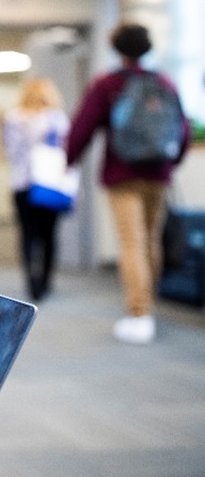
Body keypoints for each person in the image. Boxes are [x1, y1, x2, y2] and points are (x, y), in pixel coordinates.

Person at [66, 23, 191, 344]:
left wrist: (68, 159)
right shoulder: (163, 82)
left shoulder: (108, 84)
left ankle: (139, 314)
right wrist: (170, 164)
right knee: (150, 240)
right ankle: (147, 304)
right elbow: (183, 129)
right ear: (146, 48)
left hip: (123, 175)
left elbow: (83, 127)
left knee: (132, 243)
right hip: (158, 174)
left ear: (117, 49)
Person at [2, 77, 71, 302]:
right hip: (49, 184)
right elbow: (67, 152)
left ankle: (32, 282)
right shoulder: (56, 119)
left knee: (28, 235)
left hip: (22, 184)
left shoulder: (13, 117)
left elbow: (9, 152)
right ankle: (45, 281)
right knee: (49, 235)